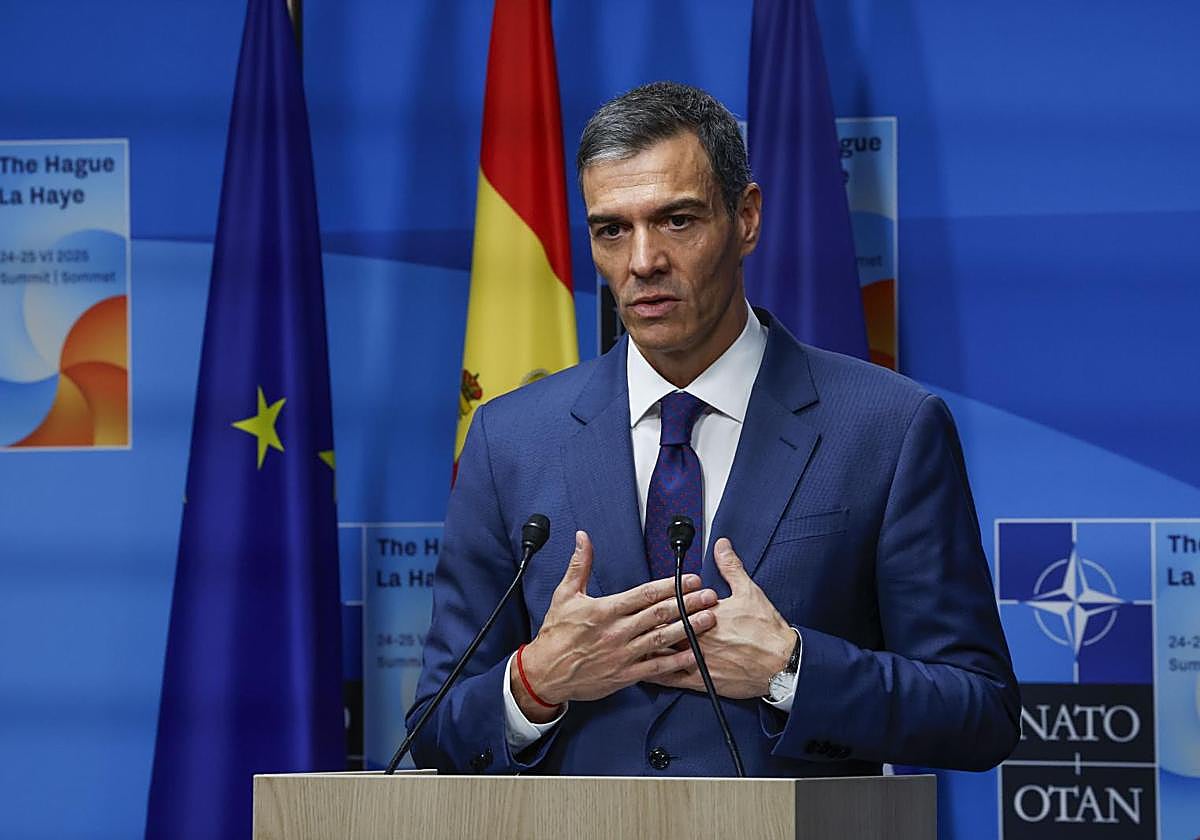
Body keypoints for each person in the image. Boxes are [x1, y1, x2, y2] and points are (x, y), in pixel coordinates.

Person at [408, 81, 1019, 777]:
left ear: (746, 218)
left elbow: (980, 712)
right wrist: (535, 682)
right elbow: (435, 730)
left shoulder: (888, 428)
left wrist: (791, 670)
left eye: (677, 220)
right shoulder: (511, 441)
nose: (643, 261)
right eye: (612, 230)